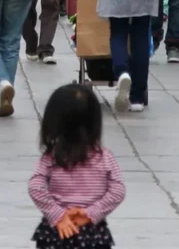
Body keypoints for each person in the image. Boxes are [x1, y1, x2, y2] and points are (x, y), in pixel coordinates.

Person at [27, 84, 126, 249]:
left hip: (56, 231)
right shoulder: (105, 157)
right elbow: (117, 191)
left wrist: (57, 214)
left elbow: (35, 187)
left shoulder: (51, 157)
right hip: (93, 234)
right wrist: (91, 213)